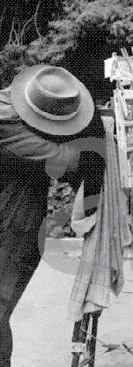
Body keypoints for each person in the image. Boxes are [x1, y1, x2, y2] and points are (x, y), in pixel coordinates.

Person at [0, 65, 105, 366]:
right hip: (14, 225)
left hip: (20, 224)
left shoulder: (17, 104)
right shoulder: (6, 126)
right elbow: (74, 159)